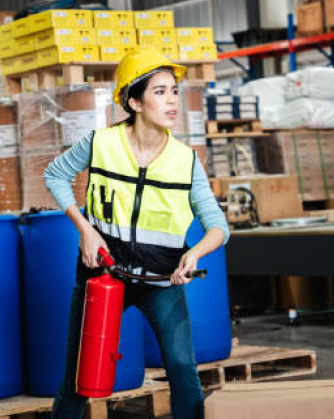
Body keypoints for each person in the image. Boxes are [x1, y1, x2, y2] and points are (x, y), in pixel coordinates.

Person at [44, 47, 230, 419]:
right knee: (79, 376)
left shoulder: (186, 161)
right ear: (135, 101)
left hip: (161, 282)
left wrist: (194, 254)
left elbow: (218, 226)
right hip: (103, 277)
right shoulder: (101, 144)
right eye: (159, 92)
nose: (172, 100)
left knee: (182, 369)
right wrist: (85, 229)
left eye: (174, 90)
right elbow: (55, 174)